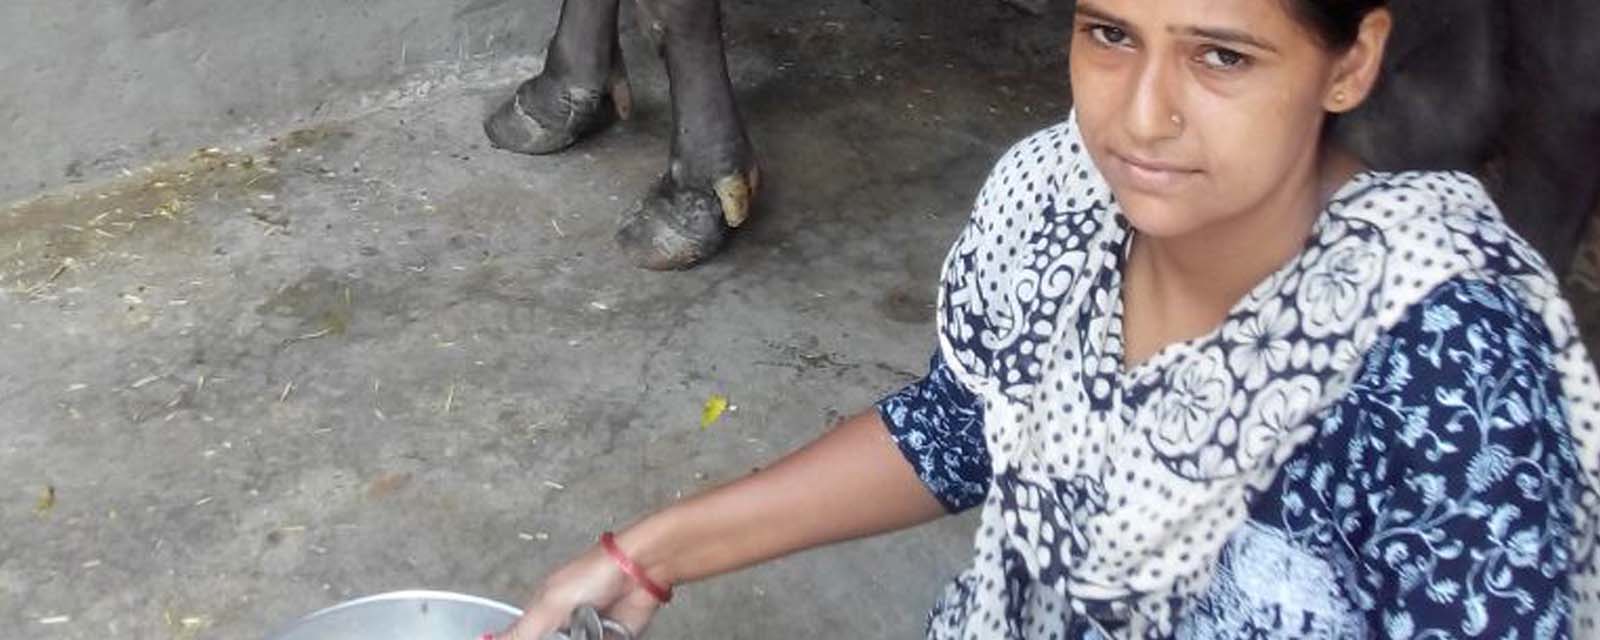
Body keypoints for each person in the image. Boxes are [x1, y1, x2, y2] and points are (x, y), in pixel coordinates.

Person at [493, 0, 1600, 637]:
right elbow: (963, 426)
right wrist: (645, 554)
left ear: (1349, 61)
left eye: (1222, 55)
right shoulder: (1061, 196)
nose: (1140, 115)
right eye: (1110, 34)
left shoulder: (1452, 371)